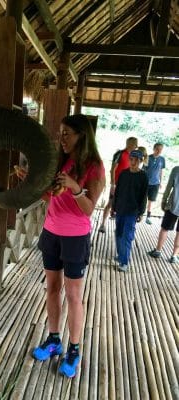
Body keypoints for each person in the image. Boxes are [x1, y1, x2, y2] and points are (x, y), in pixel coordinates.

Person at [31, 114, 105, 378]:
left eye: (67, 134)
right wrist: (29, 182)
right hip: (51, 233)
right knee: (52, 289)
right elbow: (49, 196)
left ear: (82, 136)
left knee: (74, 296)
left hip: (75, 238)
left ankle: (74, 349)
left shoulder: (93, 167)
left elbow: (88, 210)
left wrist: (75, 187)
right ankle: (54, 340)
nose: (61, 138)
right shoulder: (60, 161)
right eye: (60, 133)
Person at [112, 149, 148, 272]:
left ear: (141, 161)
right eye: (132, 159)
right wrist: (113, 207)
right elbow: (117, 191)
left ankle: (124, 262)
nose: (134, 162)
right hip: (120, 209)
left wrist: (141, 212)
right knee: (118, 234)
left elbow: (144, 196)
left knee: (127, 236)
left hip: (132, 212)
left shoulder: (143, 176)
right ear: (129, 159)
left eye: (137, 160)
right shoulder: (123, 173)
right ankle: (121, 255)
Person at [99, 136, 138, 233]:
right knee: (110, 203)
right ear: (129, 144)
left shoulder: (133, 157)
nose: (136, 146)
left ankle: (118, 227)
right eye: (135, 144)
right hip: (116, 184)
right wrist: (113, 183)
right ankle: (103, 224)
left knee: (122, 205)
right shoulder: (120, 154)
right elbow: (113, 169)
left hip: (126, 185)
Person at [148, 165, 179, 263]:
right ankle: (174, 256)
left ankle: (158, 251)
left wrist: (164, 200)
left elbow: (169, 187)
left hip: (173, 204)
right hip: (173, 204)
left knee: (165, 228)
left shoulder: (176, 169)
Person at [144, 143, 165, 224]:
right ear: (154, 148)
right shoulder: (148, 157)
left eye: (161, 149)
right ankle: (139, 215)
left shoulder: (162, 159)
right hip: (146, 183)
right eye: (157, 149)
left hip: (155, 183)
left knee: (151, 200)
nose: (159, 151)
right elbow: (143, 170)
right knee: (142, 199)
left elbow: (161, 171)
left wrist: (161, 182)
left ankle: (148, 217)